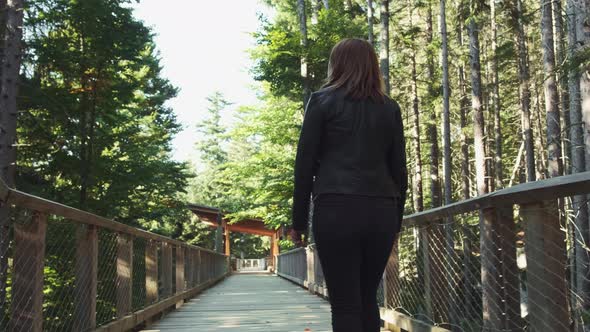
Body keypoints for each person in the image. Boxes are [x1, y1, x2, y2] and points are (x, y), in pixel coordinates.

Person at [291, 38, 408, 332]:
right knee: (367, 297)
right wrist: (396, 222)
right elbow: (399, 171)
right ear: (372, 66)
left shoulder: (320, 102)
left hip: (335, 209)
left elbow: (304, 167)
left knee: (344, 303)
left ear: (337, 65)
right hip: (381, 210)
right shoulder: (389, 108)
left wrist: (298, 223)